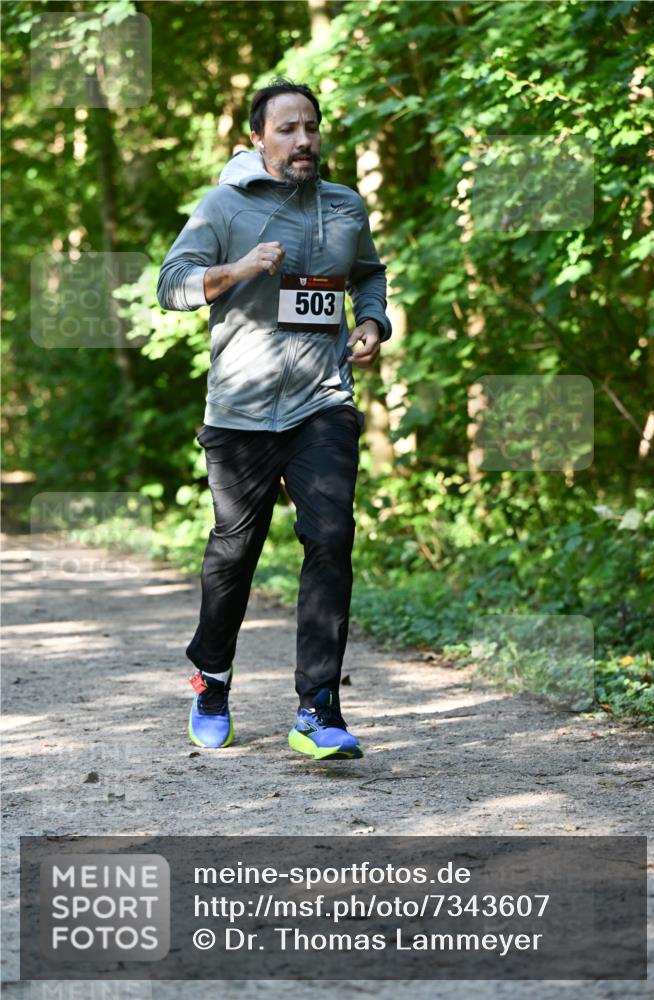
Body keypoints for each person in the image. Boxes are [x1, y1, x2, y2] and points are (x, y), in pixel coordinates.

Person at [156, 77, 391, 760]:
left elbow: (368, 273)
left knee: (331, 539)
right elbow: (171, 284)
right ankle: (212, 678)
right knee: (236, 550)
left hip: (323, 401)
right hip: (241, 412)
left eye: (310, 127)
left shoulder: (344, 205)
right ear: (257, 138)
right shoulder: (224, 206)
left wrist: (372, 321)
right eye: (287, 129)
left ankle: (318, 709)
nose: (303, 140)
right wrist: (236, 269)